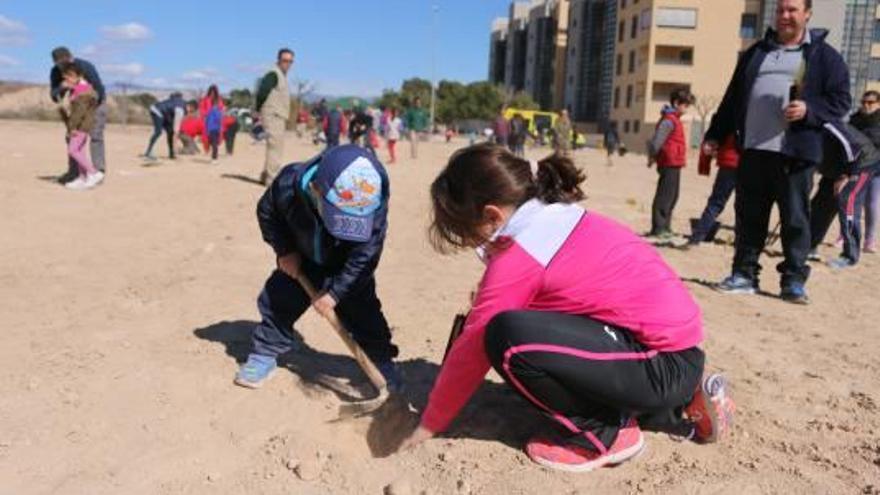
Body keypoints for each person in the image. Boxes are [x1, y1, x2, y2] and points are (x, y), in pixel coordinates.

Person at [398, 144, 735, 472]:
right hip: (677, 357)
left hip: (658, 365)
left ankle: (605, 436)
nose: (470, 244)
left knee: (506, 337)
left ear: (491, 215)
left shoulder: (520, 254)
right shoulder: (555, 215)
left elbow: (473, 347)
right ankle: (685, 405)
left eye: (467, 233)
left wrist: (430, 423)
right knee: (528, 326)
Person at [704, 0, 850, 304]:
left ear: (807, 13)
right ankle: (744, 274)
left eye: (792, 10)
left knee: (796, 219)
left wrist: (810, 109)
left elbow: (840, 102)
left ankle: (793, 280)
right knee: (749, 218)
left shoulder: (824, 57)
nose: (785, 16)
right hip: (753, 150)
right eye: (781, 10)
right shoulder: (756, 53)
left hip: (795, 154)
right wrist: (715, 135)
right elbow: (732, 99)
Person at [234, 145, 402, 392]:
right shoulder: (288, 185)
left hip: (347, 264)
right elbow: (267, 212)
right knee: (278, 302)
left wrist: (335, 293)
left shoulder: (374, 199)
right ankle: (265, 352)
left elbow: (366, 255)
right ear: (316, 189)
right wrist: (284, 250)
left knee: (365, 313)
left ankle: (380, 360)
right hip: (301, 258)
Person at [809, 122, 880, 269]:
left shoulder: (829, 125)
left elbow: (853, 147)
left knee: (848, 204)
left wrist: (847, 175)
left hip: (862, 163)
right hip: (836, 165)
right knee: (821, 203)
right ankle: (810, 246)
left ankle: (850, 255)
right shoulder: (803, 129)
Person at [49, 46, 107, 183]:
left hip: (96, 103)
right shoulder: (55, 72)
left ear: (71, 57)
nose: (63, 66)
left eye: (66, 62)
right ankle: (75, 173)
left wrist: (87, 111)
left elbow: (98, 90)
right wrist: (62, 88)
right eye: (60, 64)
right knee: (72, 137)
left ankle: (98, 172)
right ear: (55, 63)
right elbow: (53, 95)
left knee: (96, 135)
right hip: (77, 105)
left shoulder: (85, 66)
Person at [647, 88, 694, 239]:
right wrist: (652, 157)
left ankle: (666, 226)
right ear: (676, 103)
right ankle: (658, 227)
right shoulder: (668, 120)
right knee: (664, 196)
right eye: (685, 105)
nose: (687, 108)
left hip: (675, 163)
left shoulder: (675, 119)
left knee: (673, 196)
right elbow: (656, 142)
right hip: (668, 162)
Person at [57, 63, 104, 190]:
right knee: (80, 151)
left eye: (70, 77)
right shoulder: (79, 89)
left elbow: (78, 113)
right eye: (66, 77)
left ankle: (94, 173)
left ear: (80, 76)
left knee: (72, 150)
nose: (68, 80)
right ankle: (82, 178)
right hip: (81, 125)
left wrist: (72, 128)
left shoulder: (82, 91)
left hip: (80, 126)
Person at [688, 131, 740, 245]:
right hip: (742, 163)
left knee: (716, 203)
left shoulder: (726, 120)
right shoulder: (748, 119)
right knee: (742, 205)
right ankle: (740, 240)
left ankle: (697, 237)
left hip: (727, 163)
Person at [255, 48, 294, 185]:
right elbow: (262, 92)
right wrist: (257, 110)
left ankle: (265, 175)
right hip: (273, 116)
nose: (287, 64)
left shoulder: (281, 76)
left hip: (277, 116)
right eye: (285, 60)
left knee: (275, 147)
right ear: (278, 60)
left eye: (290, 61)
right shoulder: (273, 74)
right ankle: (271, 180)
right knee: (275, 149)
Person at [849, 90, 880, 253]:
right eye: (864, 102)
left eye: (871, 102)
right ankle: (845, 235)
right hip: (857, 166)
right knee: (852, 202)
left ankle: (869, 240)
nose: (866, 105)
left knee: (872, 203)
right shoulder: (855, 119)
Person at [143, 92, 186, 161]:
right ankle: (148, 151)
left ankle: (171, 154)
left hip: (163, 113)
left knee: (170, 132)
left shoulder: (176, 102)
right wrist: (176, 140)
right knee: (158, 132)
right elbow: (176, 129)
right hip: (157, 111)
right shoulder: (180, 109)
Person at [202, 88, 224, 163]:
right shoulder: (214, 111)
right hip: (213, 129)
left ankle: (214, 158)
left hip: (213, 129)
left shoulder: (214, 111)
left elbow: (219, 120)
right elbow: (219, 120)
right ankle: (214, 158)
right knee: (214, 143)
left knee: (214, 143)